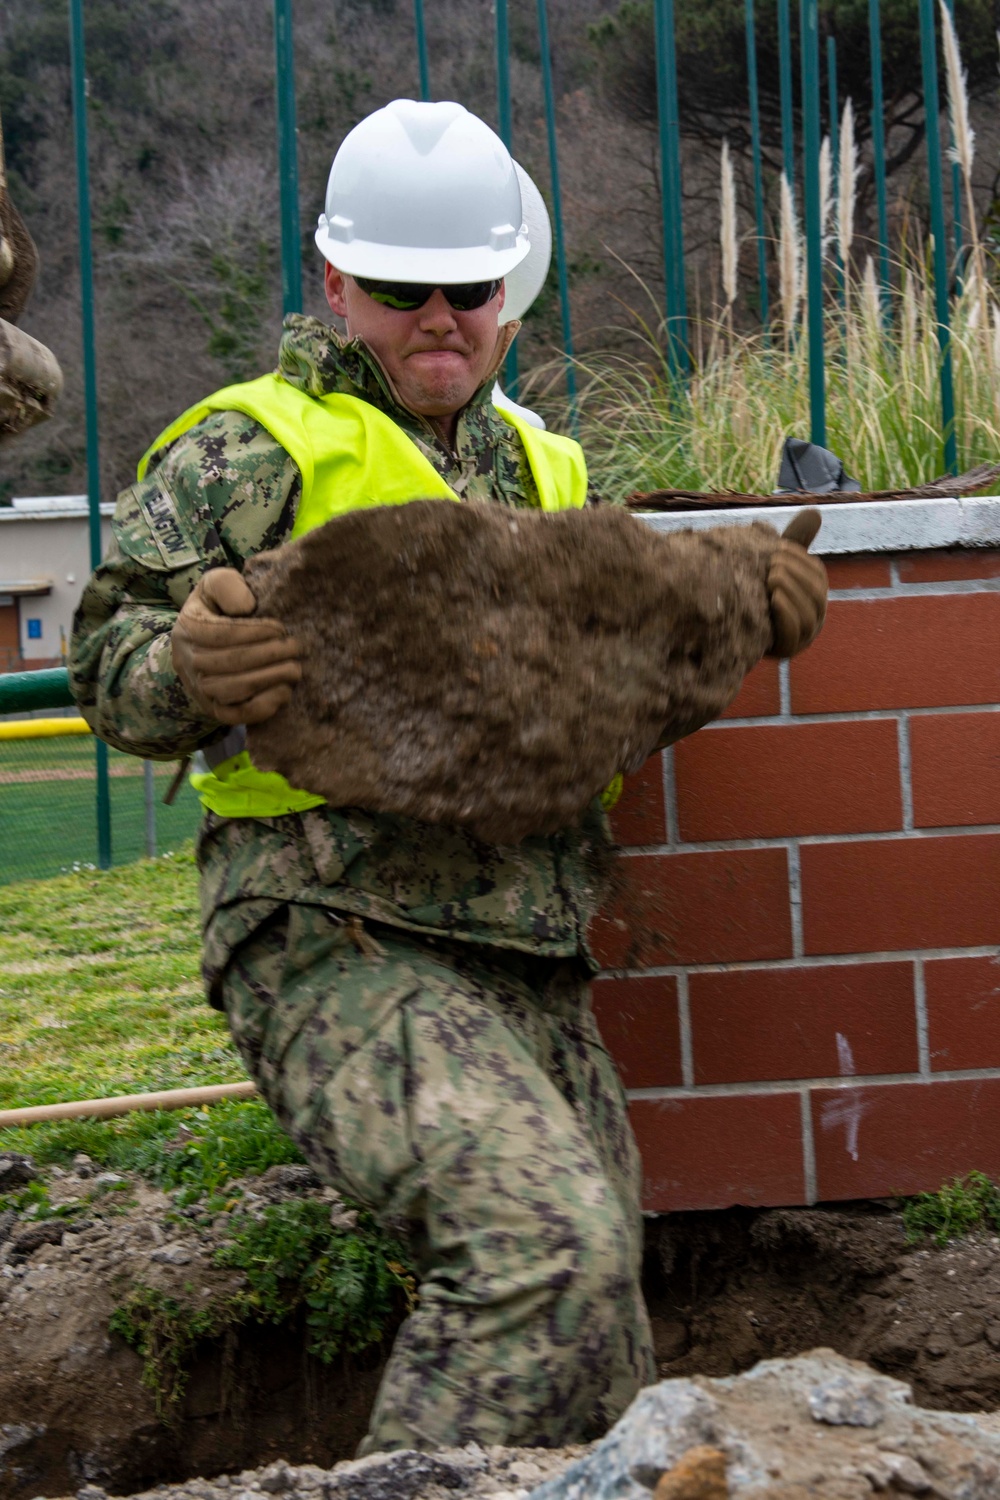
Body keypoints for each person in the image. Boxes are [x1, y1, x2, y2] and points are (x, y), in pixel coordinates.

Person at [70, 99, 827, 1453]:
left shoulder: (545, 465)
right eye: (401, 287)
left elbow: (604, 688)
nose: (438, 316)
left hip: (524, 951)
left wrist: (735, 608)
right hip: (335, 931)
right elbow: (109, 663)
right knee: (540, 1257)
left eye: (466, 288)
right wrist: (185, 664)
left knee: (597, 1317)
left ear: (508, 292)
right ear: (334, 283)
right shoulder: (250, 450)